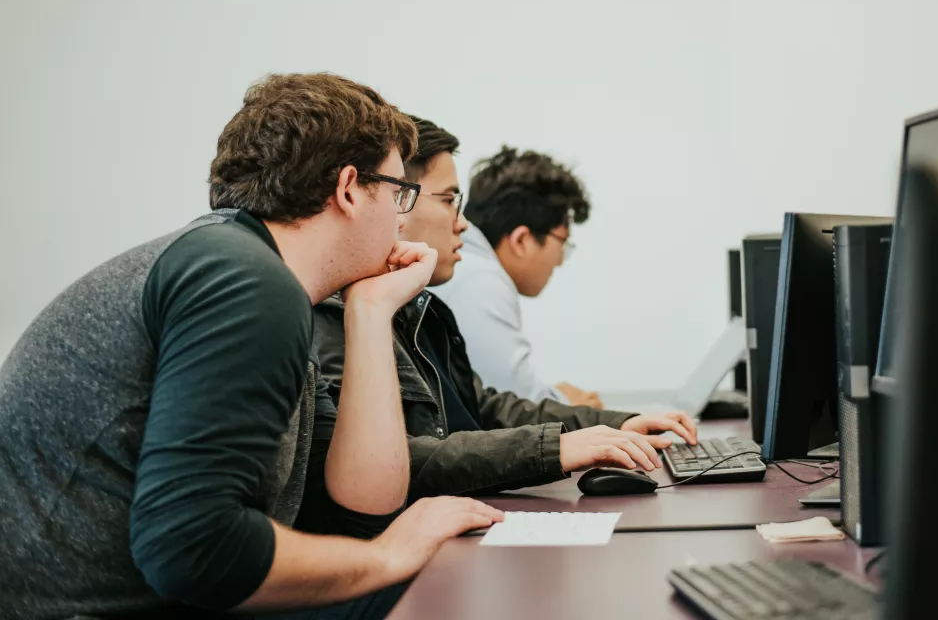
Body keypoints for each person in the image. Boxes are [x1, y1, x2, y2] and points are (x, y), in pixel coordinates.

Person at [0, 74, 502, 620]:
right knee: (447, 596)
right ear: (350, 188)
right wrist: (388, 558)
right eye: (399, 192)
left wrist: (371, 312)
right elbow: (193, 550)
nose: (402, 217)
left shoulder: (255, 272)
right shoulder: (245, 283)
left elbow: (360, 510)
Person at [313, 116, 698, 500]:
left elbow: (484, 406)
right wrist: (558, 449)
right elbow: (388, 461)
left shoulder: (418, 308)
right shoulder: (337, 314)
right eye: (448, 200)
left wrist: (616, 425)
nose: (463, 224)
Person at [429, 145, 602, 408]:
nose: (559, 261)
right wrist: (574, 405)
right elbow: (516, 407)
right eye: (562, 244)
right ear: (521, 239)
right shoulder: (481, 279)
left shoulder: (467, 267)